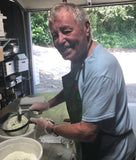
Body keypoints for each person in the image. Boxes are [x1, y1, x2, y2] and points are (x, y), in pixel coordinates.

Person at [30, 3, 136, 160]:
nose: (59, 40)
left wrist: (49, 127)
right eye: (54, 35)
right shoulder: (80, 55)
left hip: (113, 152)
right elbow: (74, 86)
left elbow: (87, 132)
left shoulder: (100, 69)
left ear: (86, 27)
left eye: (66, 31)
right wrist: (47, 105)